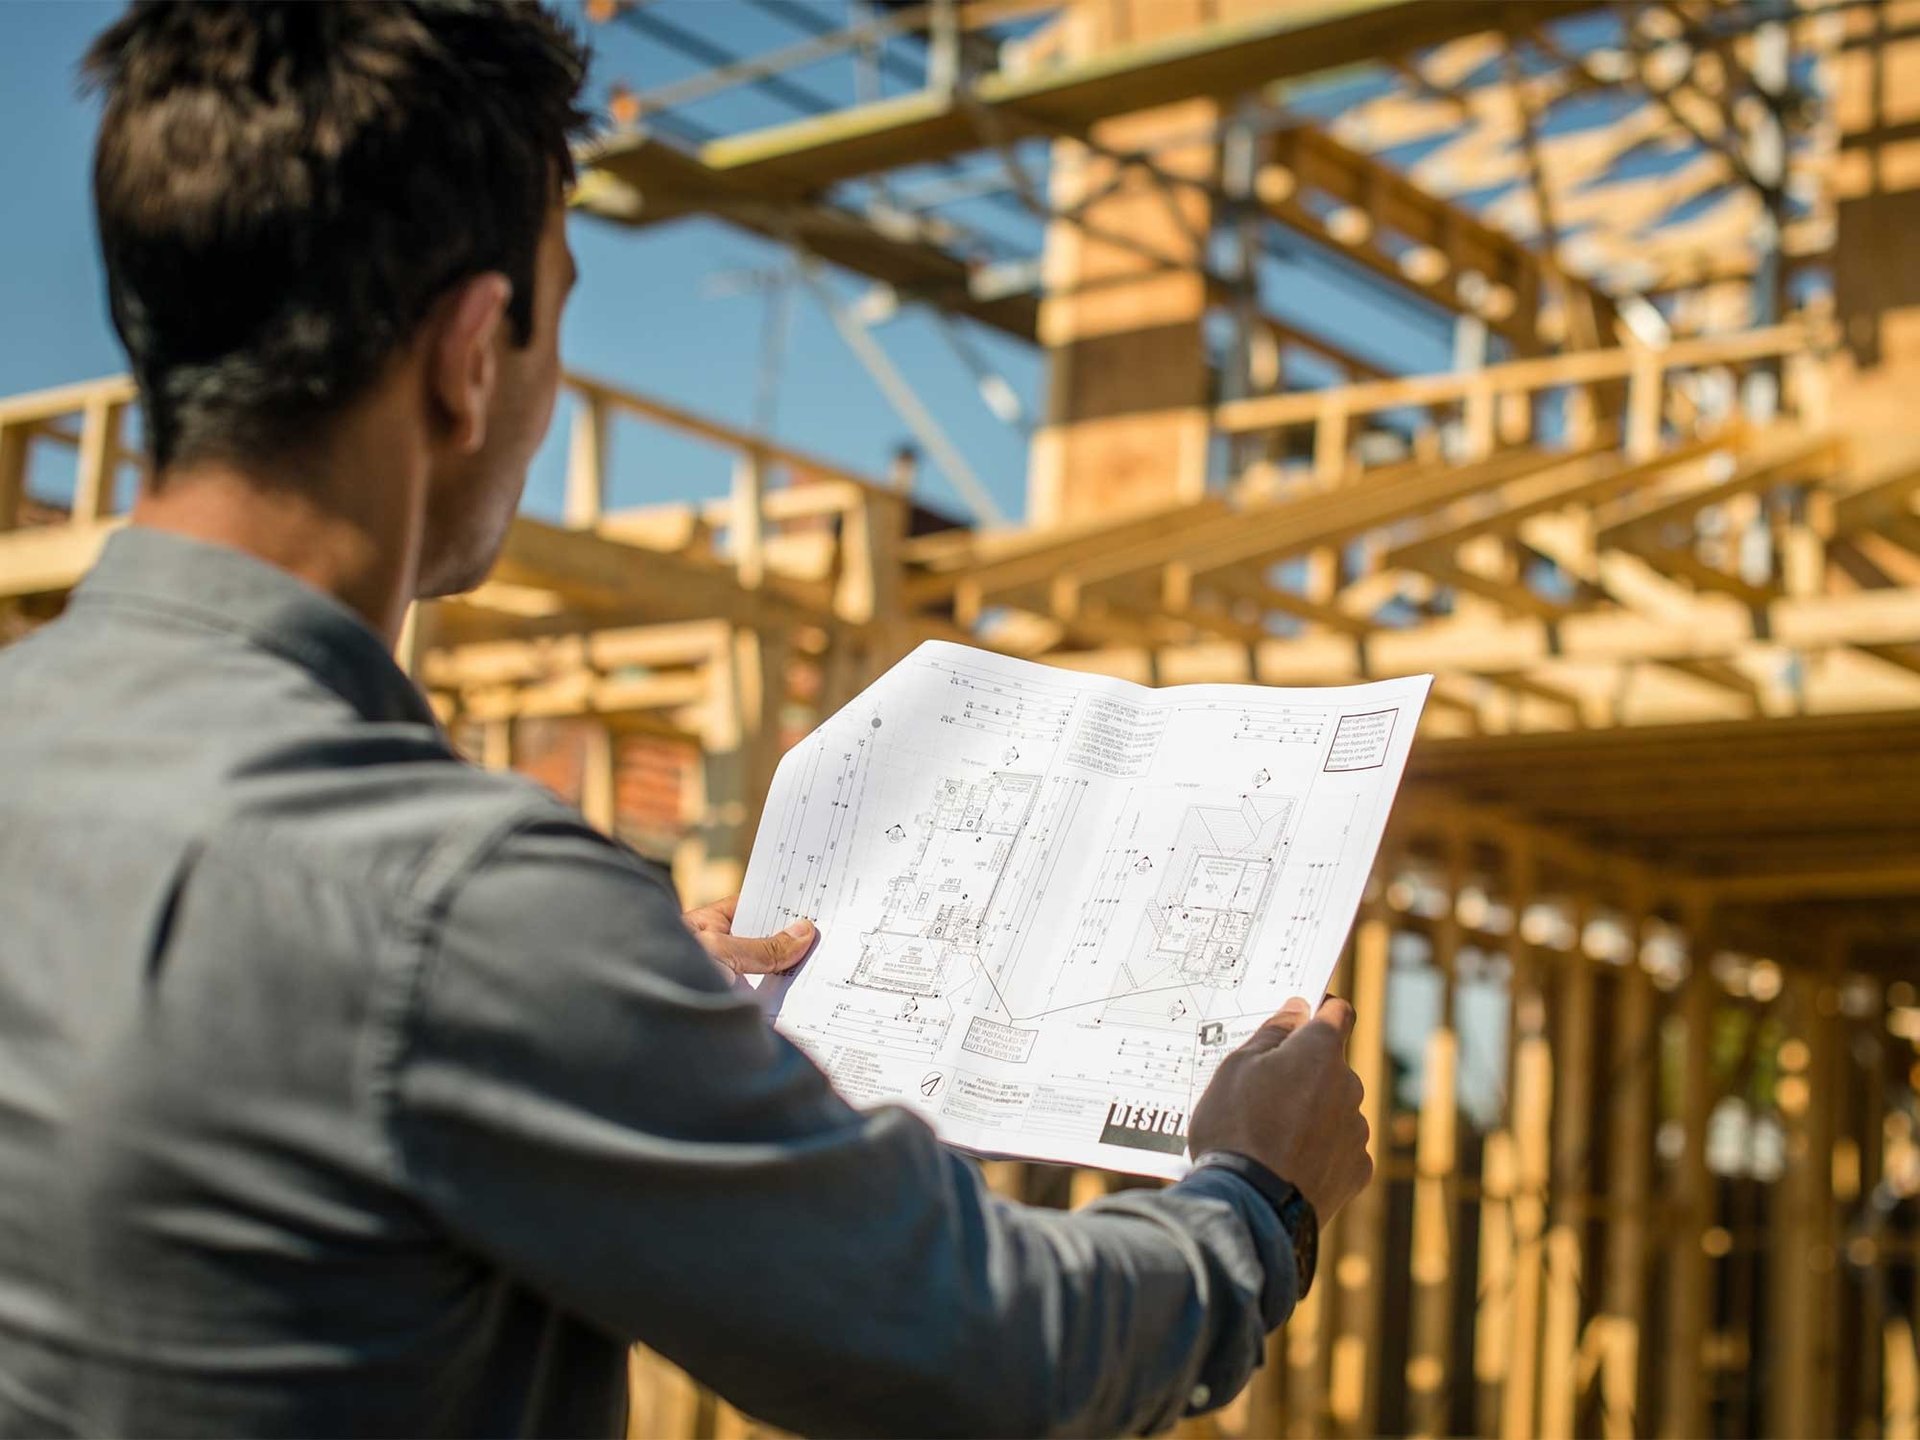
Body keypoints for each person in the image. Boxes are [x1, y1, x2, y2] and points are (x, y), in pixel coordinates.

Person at [0, 4, 1373, 1436]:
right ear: (473, 355)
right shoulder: (458, 910)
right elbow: (978, 1350)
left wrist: (614, 1012)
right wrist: (1253, 1202)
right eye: (560, 305)